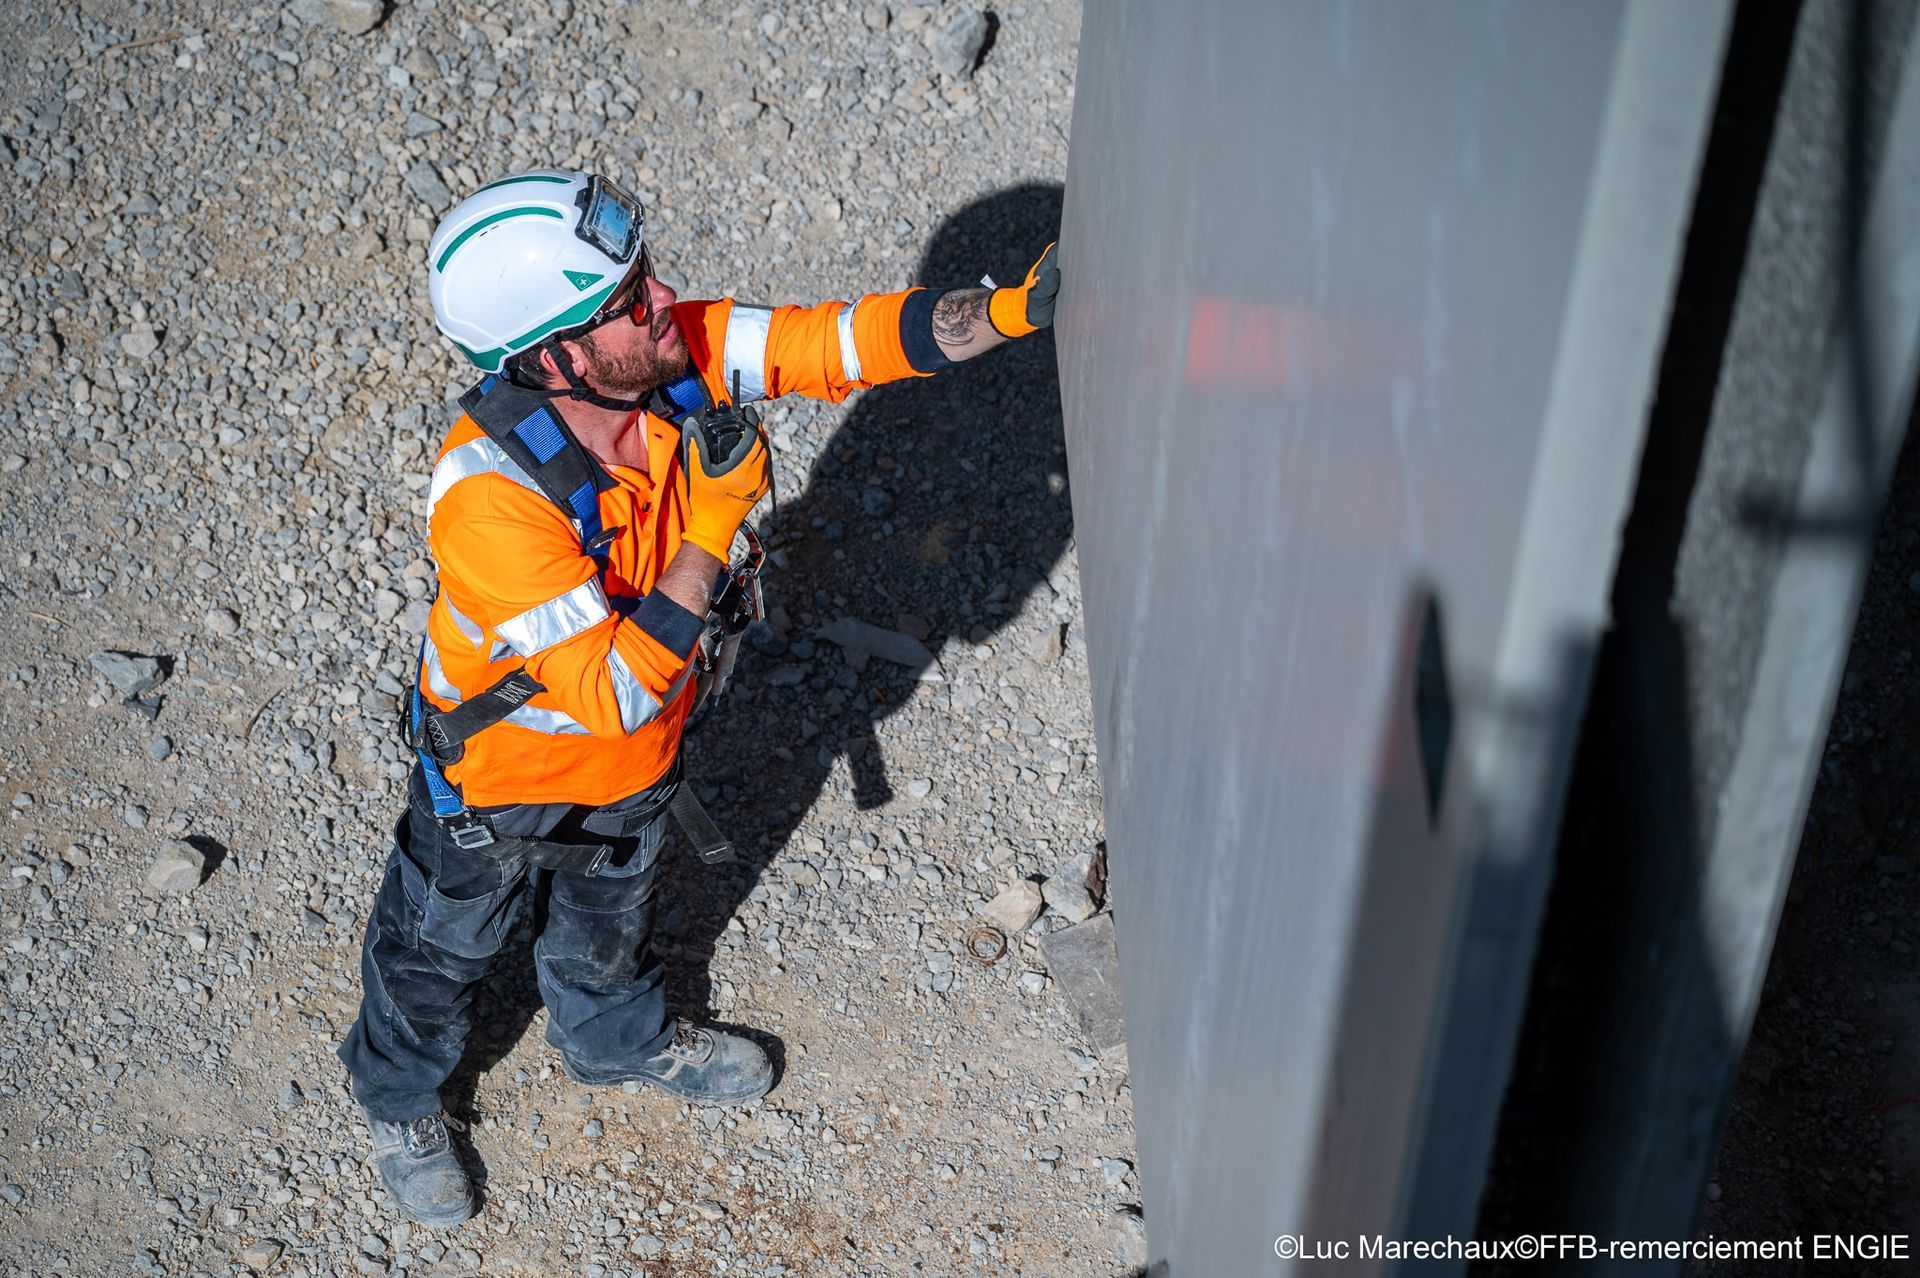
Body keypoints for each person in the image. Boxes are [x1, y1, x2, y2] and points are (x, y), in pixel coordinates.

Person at [335, 168, 1060, 1226]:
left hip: (638, 772)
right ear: (555, 358)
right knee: (438, 948)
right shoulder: (489, 498)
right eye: (627, 301)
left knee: (610, 917)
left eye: (642, 275)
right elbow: (614, 693)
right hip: (497, 789)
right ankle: (398, 1099)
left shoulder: (665, 362)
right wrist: (713, 521)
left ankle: (612, 1043)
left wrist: (1004, 313)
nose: (662, 299)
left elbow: (836, 343)